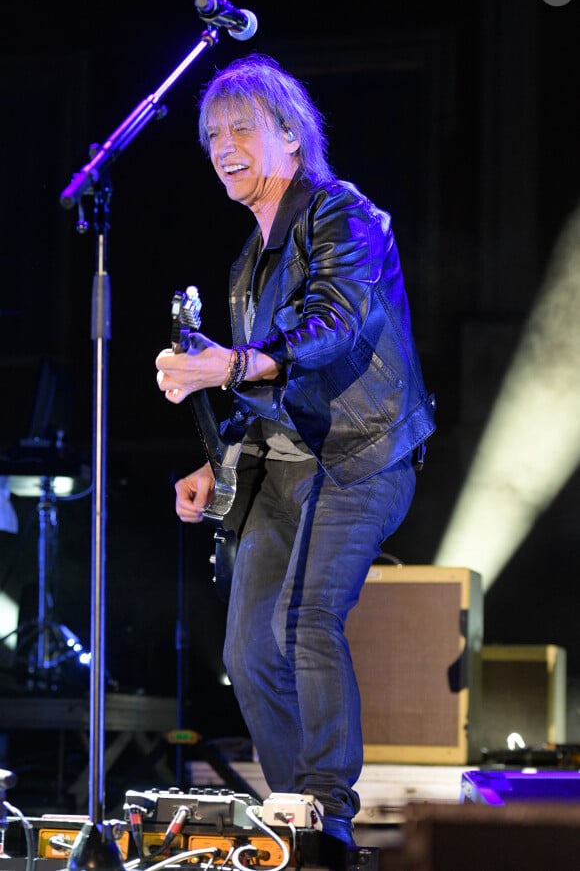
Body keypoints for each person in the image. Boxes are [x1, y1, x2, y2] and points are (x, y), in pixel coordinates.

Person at [155, 53, 436, 848]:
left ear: (288, 133)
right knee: (248, 648)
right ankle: (297, 815)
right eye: (211, 134)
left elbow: (333, 326)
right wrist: (219, 459)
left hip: (362, 455)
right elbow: (270, 386)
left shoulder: (346, 216)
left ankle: (327, 807)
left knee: (307, 619)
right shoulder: (249, 262)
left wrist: (230, 361)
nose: (221, 145)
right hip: (282, 461)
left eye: (240, 127)